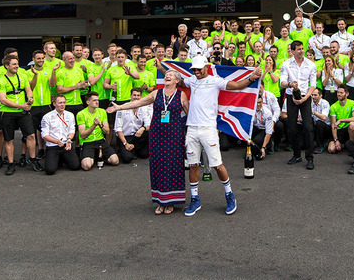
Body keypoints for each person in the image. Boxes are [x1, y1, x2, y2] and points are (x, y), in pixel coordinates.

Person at [176, 56, 260, 215]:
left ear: (206, 67)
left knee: (217, 165)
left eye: (198, 69)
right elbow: (178, 81)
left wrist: (251, 78)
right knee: (193, 165)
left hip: (208, 128)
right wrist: (160, 67)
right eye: (193, 69)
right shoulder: (191, 80)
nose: (196, 72)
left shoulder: (215, 81)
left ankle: (229, 194)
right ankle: (195, 199)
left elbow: (236, 86)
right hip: (192, 128)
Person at [117, 71, 188, 214]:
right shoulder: (156, 93)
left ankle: (171, 202)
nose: (167, 76)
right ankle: (160, 201)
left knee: (173, 165)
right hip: (157, 135)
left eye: (171, 75)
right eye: (166, 74)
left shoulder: (181, 95)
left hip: (174, 135)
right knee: (159, 165)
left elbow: (190, 113)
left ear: (176, 80)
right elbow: (138, 102)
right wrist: (119, 107)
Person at [0, 54, 42, 175]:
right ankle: (10, 164)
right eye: (14, 64)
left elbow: (29, 91)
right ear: (7, 66)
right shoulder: (1, 81)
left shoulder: (22, 76)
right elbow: (3, 100)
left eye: (17, 64)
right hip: (8, 113)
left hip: (23, 113)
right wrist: (21, 106)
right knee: (9, 139)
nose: (17, 66)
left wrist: (30, 99)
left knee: (31, 135)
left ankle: (32, 159)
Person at [280, 41, 318, 170]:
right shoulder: (286, 64)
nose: (301, 51)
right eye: (298, 49)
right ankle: (296, 155)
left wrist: (305, 98)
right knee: (292, 128)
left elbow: (313, 84)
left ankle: (310, 158)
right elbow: (282, 82)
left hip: (305, 97)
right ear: (292, 51)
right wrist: (290, 84)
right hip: (292, 97)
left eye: (302, 49)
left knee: (308, 127)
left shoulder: (311, 64)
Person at [76, 93, 119, 170]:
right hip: (87, 142)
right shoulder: (81, 114)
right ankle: (92, 156)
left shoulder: (102, 111)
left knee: (115, 161)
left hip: (100, 141)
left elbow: (107, 132)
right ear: (88, 102)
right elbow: (82, 135)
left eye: (98, 100)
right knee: (86, 166)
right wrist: (93, 125)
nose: (97, 102)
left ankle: (98, 155)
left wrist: (100, 125)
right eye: (94, 100)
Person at [40, 95, 80, 175]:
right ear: (54, 104)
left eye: (64, 103)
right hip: (53, 146)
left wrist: (69, 139)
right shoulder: (47, 117)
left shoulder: (70, 115)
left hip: (66, 145)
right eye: (60, 103)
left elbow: (72, 130)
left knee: (76, 166)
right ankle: (55, 159)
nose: (62, 105)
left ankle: (62, 159)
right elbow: (44, 135)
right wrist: (56, 141)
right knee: (50, 171)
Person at [112, 87, 152, 162]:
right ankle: (124, 148)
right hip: (125, 137)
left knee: (144, 154)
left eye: (138, 95)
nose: (136, 97)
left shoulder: (144, 108)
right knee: (127, 158)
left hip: (137, 136)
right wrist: (126, 143)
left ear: (141, 97)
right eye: (134, 95)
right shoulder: (122, 108)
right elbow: (118, 130)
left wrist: (143, 128)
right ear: (130, 96)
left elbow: (149, 124)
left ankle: (134, 148)